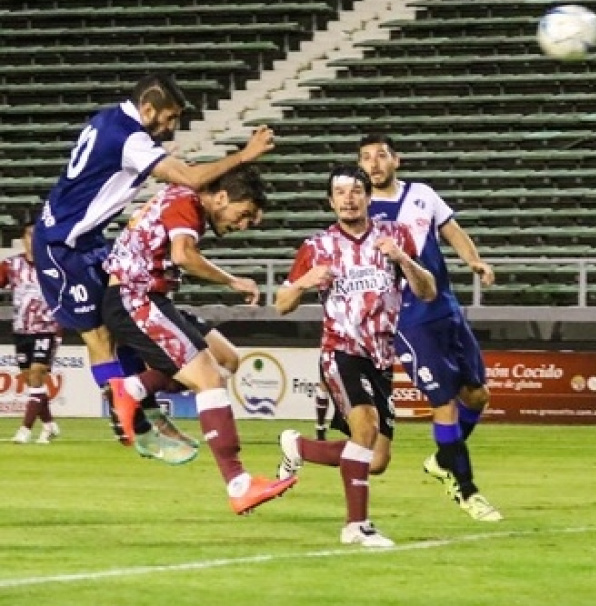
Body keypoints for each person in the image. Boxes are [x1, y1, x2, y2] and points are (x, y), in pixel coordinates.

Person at [32, 73, 274, 462]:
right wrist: (245, 155)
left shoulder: (109, 120)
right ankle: (134, 428)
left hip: (88, 238)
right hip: (61, 245)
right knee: (99, 336)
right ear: (148, 109)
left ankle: (144, 414)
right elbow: (192, 178)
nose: (171, 126)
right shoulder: (130, 139)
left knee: (120, 326)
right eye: (169, 117)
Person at [101, 164, 297, 514]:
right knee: (208, 378)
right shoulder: (186, 200)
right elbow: (182, 256)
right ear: (221, 197)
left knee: (225, 360)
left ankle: (131, 389)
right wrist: (233, 281)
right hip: (136, 298)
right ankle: (239, 485)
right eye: (244, 214)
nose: (243, 225)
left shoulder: (186, 203)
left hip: (150, 298)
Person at [274, 165, 436, 547]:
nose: (348, 198)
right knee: (364, 431)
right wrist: (303, 283)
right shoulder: (316, 247)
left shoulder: (395, 236)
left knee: (376, 459)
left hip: (381, 356)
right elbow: (281, 304)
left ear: (367, 196)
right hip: (341, 350)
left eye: (355, 191)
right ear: (331, 201)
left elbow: (427, 291)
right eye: (340, 192)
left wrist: (403, 260)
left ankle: (298, 447)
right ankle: (357, 526)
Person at [358, 134, 502, 522]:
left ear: (396, 161)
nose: (374, 164)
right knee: (444, 403)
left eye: (381, 156)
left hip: (445, 307)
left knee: (477, 395)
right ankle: (466, 489)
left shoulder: (422, 194)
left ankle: (443, 460)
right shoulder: (363, 210)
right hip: (407, 316)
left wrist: (475, 261)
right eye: (366, 158)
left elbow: (452, 231)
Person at [2, 216, 62, 444]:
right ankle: (49, 425)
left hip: (48, 327)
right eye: (29, 236)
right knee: (31, 380)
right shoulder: (11, 265)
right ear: (22, 239)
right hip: (20, 329)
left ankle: (25, 430)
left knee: (37, 373)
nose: (33, 240)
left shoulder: (55, 264)